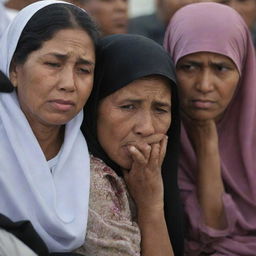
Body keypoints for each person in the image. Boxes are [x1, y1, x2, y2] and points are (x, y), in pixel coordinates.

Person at [0, 0, 98, 253]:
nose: (69, 83)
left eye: (83, 69)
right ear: (14, 68)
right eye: (54, 64)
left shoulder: (97, 165)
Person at [78, 34, 184, 256]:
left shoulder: (150, 176)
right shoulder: (88, 182)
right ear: (93, 106)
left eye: (160, 109)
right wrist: (151, 207)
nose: (146, 128)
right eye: (128, 106)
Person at [164, 2, 256, 255]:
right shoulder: (153, 134)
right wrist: (206, 139)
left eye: (221, 68)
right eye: (189, 67)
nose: (204, 85)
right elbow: (208, 230)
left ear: (243, 70)